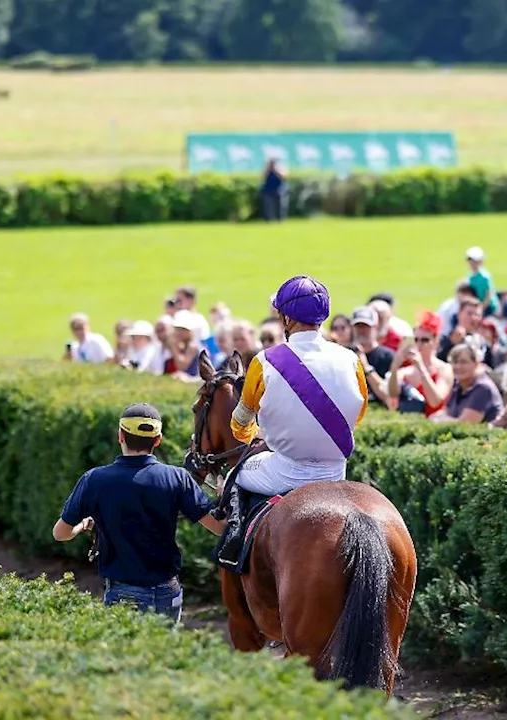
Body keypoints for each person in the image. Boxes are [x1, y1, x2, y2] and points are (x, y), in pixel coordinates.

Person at [217, 275, 371, 570]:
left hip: (285, 471)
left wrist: (252, 433)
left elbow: (240, 421)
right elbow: (358, 414)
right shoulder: (351, 359)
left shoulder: (263, 361)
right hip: (335, 471)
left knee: (237, 475)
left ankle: (233, 546)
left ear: (286, 318)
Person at [53, 404, 224, 624]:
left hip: (121, 596)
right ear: (158, 440)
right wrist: (223, 496)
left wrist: (82, 525)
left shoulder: (94, 479)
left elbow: (60, 533)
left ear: (120, 436)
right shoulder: (178, 478)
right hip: (167, 592)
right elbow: (220, 528)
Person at [432, 343, 504, 425]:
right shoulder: (458, 385)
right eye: (454, 362)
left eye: (463, 362)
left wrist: (439, 420)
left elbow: (465, 424)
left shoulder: (483, 388)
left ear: (477, 364)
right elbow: (445, 412)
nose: (458, 367)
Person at [260, 157, 289, 222]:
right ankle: (269, 220)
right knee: (268, 207)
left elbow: (284, 175)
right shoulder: (267, 168)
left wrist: (276, 170)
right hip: (268, 190)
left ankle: (281, 220)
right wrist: (268, 168)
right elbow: (262, 175)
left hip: (280, 191)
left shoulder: (281, 167)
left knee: (281, 207)